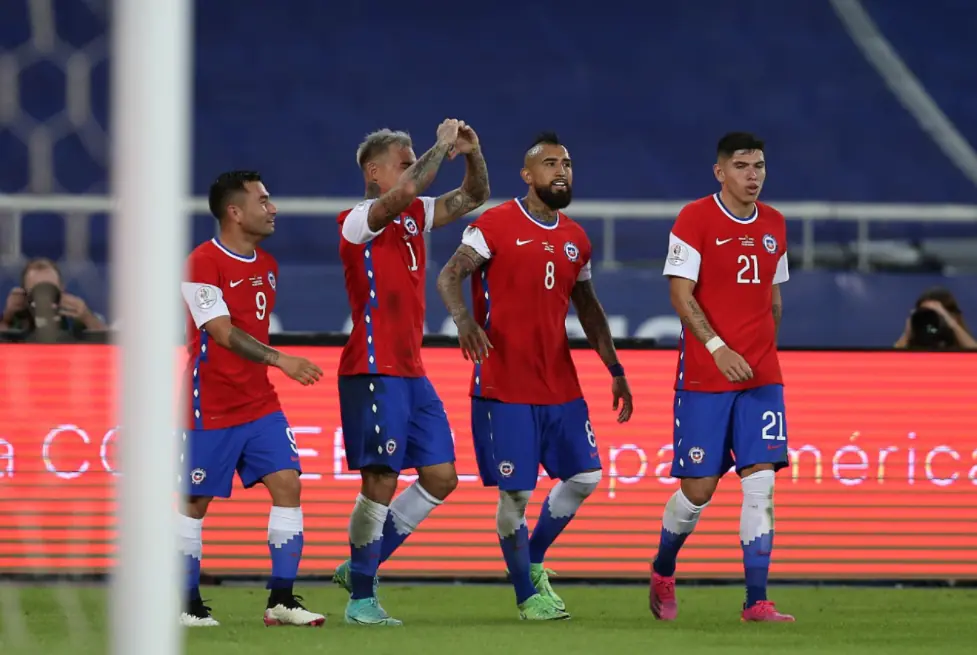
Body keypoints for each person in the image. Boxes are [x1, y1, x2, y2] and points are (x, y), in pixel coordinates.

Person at [436, 132, 634, 621]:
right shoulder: (494, 224)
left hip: (559, 383)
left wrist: (614, 368)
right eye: (550, 164)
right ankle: (527, 595)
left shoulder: (576, 239)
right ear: (527, 175)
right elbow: (449, 275)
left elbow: (589, 309)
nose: (561, 171)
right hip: (504, 384)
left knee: (586, 476)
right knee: (517, 494)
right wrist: (464, 321)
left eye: (566, 163)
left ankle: (533, 557)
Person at [333, 119, 490, 626]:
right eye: (404, 162)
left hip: (411, 370)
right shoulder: (357, 220)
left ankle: (362, 564)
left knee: (442, 477)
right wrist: (440, 145)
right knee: (380, 478)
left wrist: (471, 153)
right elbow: (405, 192)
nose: (415, 168)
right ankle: (361, 599)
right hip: (372, 366)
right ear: (374, 173)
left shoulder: (414, 214)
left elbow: (474, 196)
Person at [651, 132, 795, 623]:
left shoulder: (775, 224)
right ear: (720, 172)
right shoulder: (695, 218)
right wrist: (719, 348)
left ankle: (756, 600)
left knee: (761, 484)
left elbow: (774, 300)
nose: (753, 175)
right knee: (699, 491)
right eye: (742, 166)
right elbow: (680, 294)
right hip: (706, 376)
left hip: (761, 378)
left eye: (759, 166)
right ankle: (663, 568)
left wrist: (762, 352)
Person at [179, 171, 326, 628]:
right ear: (234, 212)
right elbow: (221, 332)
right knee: (195, 501)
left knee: (288, 484)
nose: (272, 208)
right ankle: (186, 604)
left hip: (259, 401)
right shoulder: (202, 262)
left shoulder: (268, 265)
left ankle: (281, 601)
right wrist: (280, 359)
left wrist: (271, 366)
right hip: (212, 402)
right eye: (262, 200)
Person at [0, 258, 107, 339]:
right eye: (37, 290)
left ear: (62, 289)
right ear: (24, 293)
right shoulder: (17, 319)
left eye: (50, 289)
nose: (44, 297)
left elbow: (107, 340)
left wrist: (87, 317)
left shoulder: (74, 318)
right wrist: (7, 317)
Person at [894, 287, 977, 350]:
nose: (930, 318)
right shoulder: (916, 338)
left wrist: (952, 323)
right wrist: (907, 333)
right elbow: (891, 360)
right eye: (926, 314)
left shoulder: (960, 339)